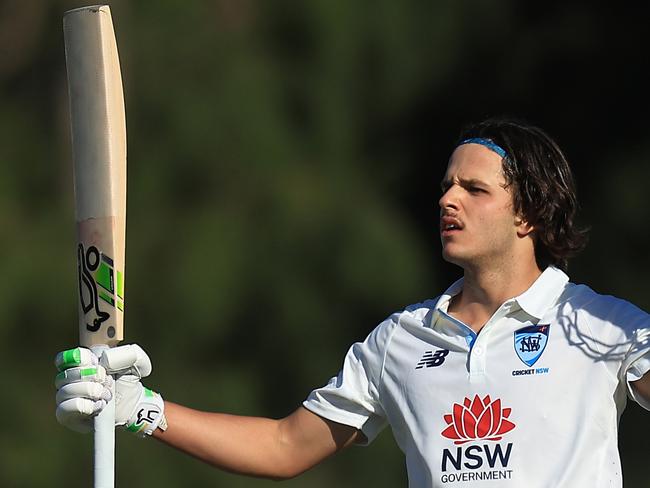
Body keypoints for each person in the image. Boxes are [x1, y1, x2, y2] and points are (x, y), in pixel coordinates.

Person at [55, 117, 650, 487]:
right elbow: (285, 445)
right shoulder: (402, 340)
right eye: (446, 184)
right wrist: (140, 408)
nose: (448, 199)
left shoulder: (603, 328)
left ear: (529, 213)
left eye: (473, 189)